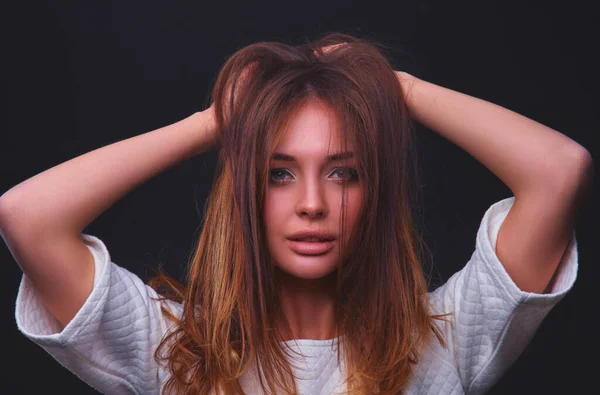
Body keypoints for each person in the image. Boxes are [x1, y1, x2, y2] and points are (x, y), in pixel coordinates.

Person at [0, 32, 592, 395]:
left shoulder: (446, 342)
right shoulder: (173, 350)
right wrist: (213, 124)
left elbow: (558, 171)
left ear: (374, 194)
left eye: (343, 172)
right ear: (243, 194)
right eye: (277, 173)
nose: (311, 203)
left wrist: (398, 90)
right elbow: (27, 215)